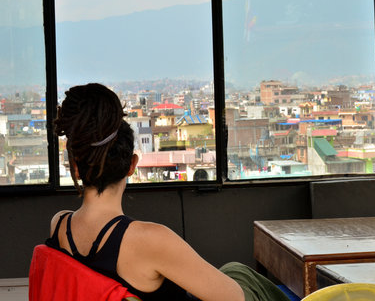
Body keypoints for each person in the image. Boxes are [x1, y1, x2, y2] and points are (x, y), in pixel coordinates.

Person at [45, 83, 290, 301]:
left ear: (75, 167)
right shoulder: (151, 240)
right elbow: (234, 298)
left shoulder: (59, 226)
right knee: (238, 272)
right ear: (132, 165)